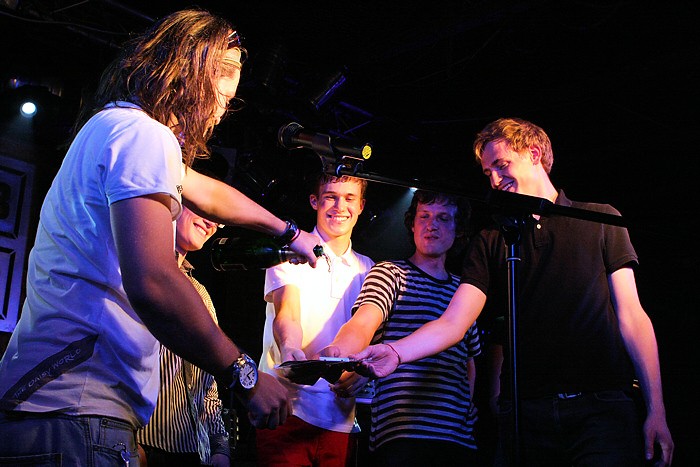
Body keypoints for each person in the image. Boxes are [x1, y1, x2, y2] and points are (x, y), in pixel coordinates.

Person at [0, 9, 321, 465]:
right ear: (192, 75)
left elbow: (208, 193)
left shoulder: (114, 126)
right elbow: (153, 279)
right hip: (76, 406)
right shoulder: (145, 136)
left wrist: (289, 231)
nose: (220, 113)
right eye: (222, 96)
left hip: (52, 405)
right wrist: (245, 376)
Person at [351, 118, 674, 466]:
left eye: (501, 165)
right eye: (488, 172)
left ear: (534, 154)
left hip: (602, 410)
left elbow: (632, 316)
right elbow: (453, 323)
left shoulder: (600, 219)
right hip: (526, 415)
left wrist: (657, 409)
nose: (494, 179)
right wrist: (395, 352)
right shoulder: (493, 240)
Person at [322, 190, 481, 467]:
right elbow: (363, 322)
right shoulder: (390, 272)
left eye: (443, 218)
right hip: (402, 433)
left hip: (457, 437)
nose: (432, 225)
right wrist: (339, 351)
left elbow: (469, 359)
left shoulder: (465, 290)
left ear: (459, 229)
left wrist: (466, 409)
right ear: (412, 224)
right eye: (424, 216)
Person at [255, 173, 375, 467]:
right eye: (331, 197)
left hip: (340, 417)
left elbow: (370, 336)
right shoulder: (289, 252)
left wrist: (363, 374)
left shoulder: (368, 269)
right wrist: (290, 349)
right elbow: (287, 312)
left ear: (361, 205)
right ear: (314, 201)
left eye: (349, 198)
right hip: (286, 407)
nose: (340, 207)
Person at [136, 206, 230, 467]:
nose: (211, 223)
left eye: (218, 219)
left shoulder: (200, 294)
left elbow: (207, 385)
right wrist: (127, 440)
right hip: (141, 444)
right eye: (202, 208)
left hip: (193, 450)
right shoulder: (135, 274)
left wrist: (219, 445)